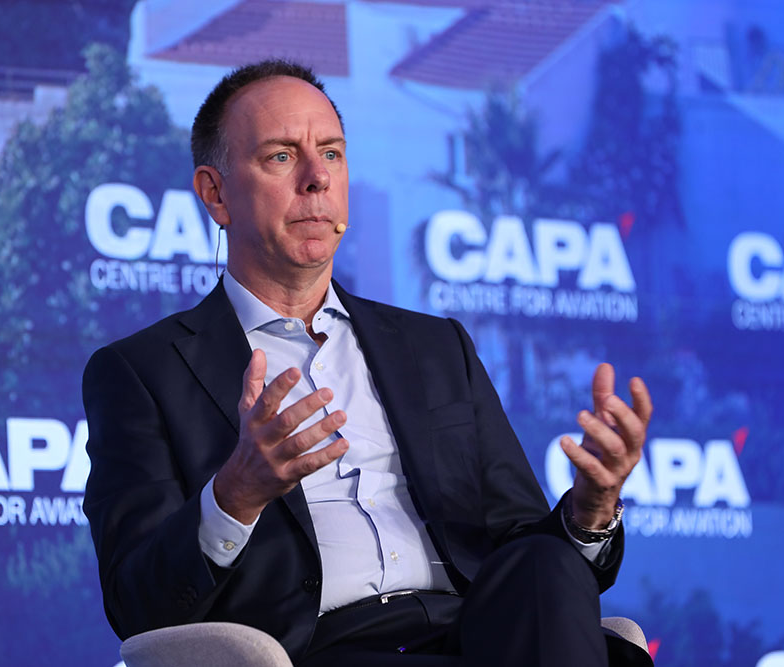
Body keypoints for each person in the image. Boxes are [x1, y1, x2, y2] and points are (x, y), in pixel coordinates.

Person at [82, 60, 654, 666]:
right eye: (281, 156)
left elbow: (525, 555)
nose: (317, 179)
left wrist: (590, 513)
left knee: (542, 562)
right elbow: (138, 606)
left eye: (331, 153)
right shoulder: (142, 373)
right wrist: (236, 493)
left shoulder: (437, 347)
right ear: (215, 193)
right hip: (327, 648)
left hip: (479, 635)